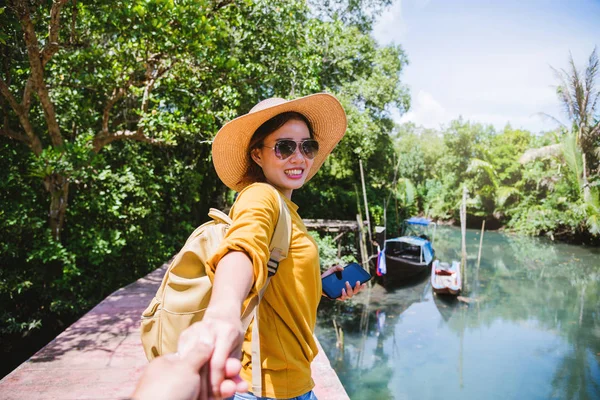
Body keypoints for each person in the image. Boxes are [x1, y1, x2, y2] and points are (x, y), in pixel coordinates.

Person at [177, 93, 366, 400]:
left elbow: (276, 276)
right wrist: (223, 313)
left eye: (307, 147)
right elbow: (242, 248)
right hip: (265, 388)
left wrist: (320, 284)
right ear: (257, 155)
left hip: (294, 381)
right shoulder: (260, 196)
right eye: (284, 146)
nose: (298, 157)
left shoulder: (287, 209)